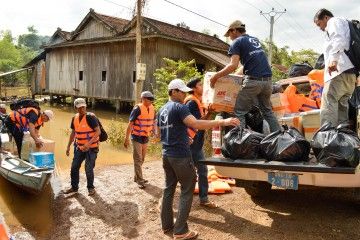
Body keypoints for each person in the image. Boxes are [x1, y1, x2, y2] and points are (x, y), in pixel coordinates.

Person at [157, 79, 239, 240]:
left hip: (166, 154)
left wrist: (182, 138)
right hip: (180, 155)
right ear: (173, 91)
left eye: (184, 91)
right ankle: (180, 231)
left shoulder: (162, 109)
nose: (183, 94)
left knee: (169, 189)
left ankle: (167, 225)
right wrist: (223, 121)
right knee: (187, 189)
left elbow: (160, 133)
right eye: (180, 91)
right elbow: (195, 123)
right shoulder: (179, 107)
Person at [209, 20, 281, 133]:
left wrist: (216, 76)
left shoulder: (237, 42)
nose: (230, 37)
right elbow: (247, 65)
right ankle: (279, 137)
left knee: (239, 111)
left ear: (234, 30)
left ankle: (240, 142)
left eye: (229, 34)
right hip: (268, 82)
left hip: (253, 81)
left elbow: (233, 65)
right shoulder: (254, 40)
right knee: (267, 111)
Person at [313, 9, 357, 126]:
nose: (320, 28)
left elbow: (339, 39)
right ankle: (342, 137)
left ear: (326, 18)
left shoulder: (334, 21)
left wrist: (333, 60)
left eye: (319, 24)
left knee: (329, 101)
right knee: (342, 105)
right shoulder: (344, 23)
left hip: (339, 71)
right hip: (350, 73)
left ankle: (327, 136)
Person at [184, 78, 217, 208]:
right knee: (198, 171)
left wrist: (209, 112)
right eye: (199, 85)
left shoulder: (199, 101)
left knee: (200, 170)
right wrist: (209, 112)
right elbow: (196, 123)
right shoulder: (191, 103)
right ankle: (199, 198)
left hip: (197, 143)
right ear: (193, 89)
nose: (202, 86)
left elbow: (202, 121)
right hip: (191, 143)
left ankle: (202, 198)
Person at [64, 98, 101, 196]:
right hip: (79, 148)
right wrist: (68, 146)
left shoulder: (91, 117)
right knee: (74, 167)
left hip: (91, 148)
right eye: (79, 107)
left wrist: (88, 144)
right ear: (75, 108)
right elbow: (73, 133)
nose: (81, 109)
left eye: (83, 107)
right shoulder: (74, 118)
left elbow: (98, 132)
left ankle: (90, 188)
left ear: (85, 106)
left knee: (88, 168)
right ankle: (74, 187)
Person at [124, 91, 155, 189]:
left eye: (152, 99)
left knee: (142, 159)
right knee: (138, 159)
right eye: (149, 99)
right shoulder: (137, 108)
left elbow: (153, 122)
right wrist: (126, 138)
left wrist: (154, 132)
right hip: (136, 136)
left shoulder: (152, 108)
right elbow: (130, 124)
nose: (151, 101)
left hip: (145, 136)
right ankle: (140, 180)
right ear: (144, 99)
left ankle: (137, 177)